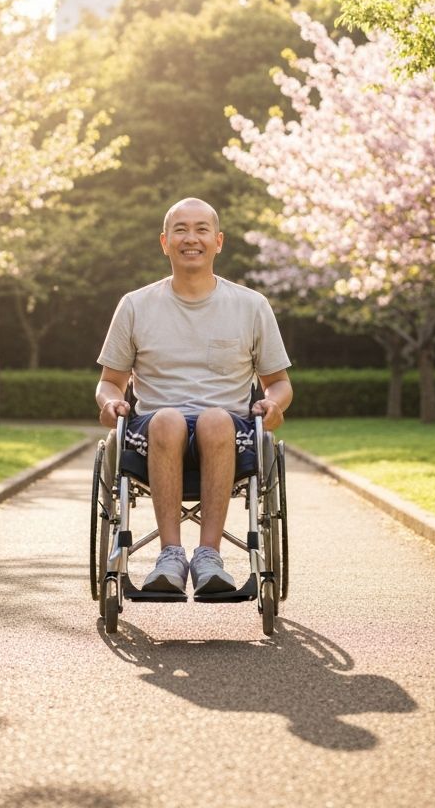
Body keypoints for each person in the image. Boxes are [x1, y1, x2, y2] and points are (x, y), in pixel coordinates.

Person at [95, 197, 292, 595]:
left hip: (228, 432)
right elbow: (110, 382)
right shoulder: (134, 305)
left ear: (218, 241)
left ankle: (208, 556)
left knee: (215, 418)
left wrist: (273, 405)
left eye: (201, 229)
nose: (191, 238)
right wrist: (108, 403)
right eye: (180, 229)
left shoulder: (251, 306)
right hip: (152, 433)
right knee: (167, 418)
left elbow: (279, 383)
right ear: (164, 241)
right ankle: (170, 555)